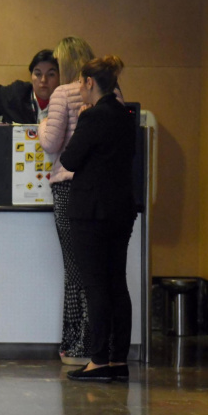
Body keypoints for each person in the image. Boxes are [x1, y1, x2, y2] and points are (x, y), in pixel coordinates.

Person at [61, 56, 137, 382]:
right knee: (117, 283)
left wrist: (80, 121)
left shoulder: (93, 117)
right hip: (121, 210)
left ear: (90, 82)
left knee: (95, 286)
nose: (80, 88)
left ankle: (98, 360)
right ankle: (118, 360)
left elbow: (70, 158)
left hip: (91, 211)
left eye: (81, 83)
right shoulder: (125, 116)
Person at [38, 36, 96, 365]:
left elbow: (51, 143)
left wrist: (44, 122)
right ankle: (101, 344)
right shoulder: (110, 92)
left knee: (74, 269)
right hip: (102, 188)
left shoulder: (62, 94)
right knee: (100, 269)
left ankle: (76, 346)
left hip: (68, 187)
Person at [0, 49, 60, 123]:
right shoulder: (15, 94)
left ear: (60, 77)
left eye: (51, 74)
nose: (43, 80)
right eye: (38, 74)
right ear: (31, 76)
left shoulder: (66, 102)